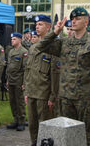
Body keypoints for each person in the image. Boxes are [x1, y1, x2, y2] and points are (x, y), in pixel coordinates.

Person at [35, 7, 90, 146]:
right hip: (65, 98)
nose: (73, 21)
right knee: (66, 136)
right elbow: (41, 46)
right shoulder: (64, 42)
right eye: (72, 19)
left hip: (85, 99)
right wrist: (55, 31)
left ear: (86, 22)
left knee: (86, 136)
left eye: (78, 19)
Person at [24, 15, 59, 146]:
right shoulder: (34, 47)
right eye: (36, 24)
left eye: (41, 24)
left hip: (44, 94)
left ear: (49, 27)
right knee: (32, 124)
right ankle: (34, 142)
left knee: (45, 124)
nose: (37, 27)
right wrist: (26, 92)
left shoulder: (54, 46)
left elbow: (55, 74)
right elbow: (28, 70)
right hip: (32, 92)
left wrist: (53, 96)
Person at [6, 32, 28, 131]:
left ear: (20, 40)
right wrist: (7, 79)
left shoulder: (24, 52)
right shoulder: (11, 52)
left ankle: (21, 121)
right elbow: (9, 67)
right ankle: (15, 120)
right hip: (11, 80)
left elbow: (25, 69)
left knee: (20, 102)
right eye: (12, 39)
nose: (12, 40)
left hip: (19, 80)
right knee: (12, 101)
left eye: (14, 39)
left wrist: (24, 83)